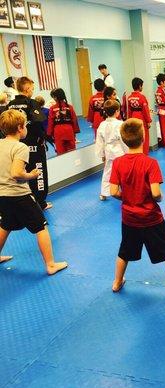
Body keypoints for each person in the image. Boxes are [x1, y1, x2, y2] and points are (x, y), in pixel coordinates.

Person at [109, 118, 165, 297]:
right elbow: (156, 193)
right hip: (151, 217)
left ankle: (117, 282)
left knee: (125, 250)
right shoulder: (150, 163)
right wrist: (159, 197)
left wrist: (128, 198)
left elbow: (112, 191)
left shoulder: (118, 163)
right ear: (143, 138)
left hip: (129, 218)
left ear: (124, 140)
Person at [0, 110, 67, 274]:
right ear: (19, 128)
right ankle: (51, 265)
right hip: (19, 194)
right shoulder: (20, 147)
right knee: (41, 226)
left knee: (5, 225)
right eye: (26, 126)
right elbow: (16, 173)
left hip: (2, 195)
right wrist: (32, 175)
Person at [7, 77, 51, 210]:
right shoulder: (32, 103)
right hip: (34, 145)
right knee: (38, 172)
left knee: (21, 171)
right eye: (32, 88)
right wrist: (43, 138)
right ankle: (40, 202)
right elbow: (39, 124)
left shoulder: (10, 105)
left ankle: (25, 201)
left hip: (17, 145)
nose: (32, 91)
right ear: (27, 89)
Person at [95, 100, 127, 201]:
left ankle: (104, 193)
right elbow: (123, 139)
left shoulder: (102, 124)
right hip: (119, 151)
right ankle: (126, 191)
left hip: (108, 150)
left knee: (108, 171)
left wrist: (102, 154)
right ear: (117, 111)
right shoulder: (120, 124)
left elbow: (99, 141)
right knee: (123, 172)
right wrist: (128, 152)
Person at [47, 88, 80, 155]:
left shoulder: (52, 108)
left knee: (61, 153)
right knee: (72, 152)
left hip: (58, 132)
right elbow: (74, 120)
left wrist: (49, 133)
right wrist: (75, 131)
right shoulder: (70, 107)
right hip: (69, 130)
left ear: (55, 97)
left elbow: (51, 122)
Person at [126, 77, 152, 155]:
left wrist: (129, 120)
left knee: (135, 136)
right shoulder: (142, 97)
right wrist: (148, 121)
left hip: (133, 117)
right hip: (141, 117)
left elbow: (129, 110)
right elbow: (145, 110)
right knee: (144, 136)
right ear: (140, 86)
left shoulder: (129, 97)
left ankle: (136, 152)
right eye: (142, 85)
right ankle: (144, 153)